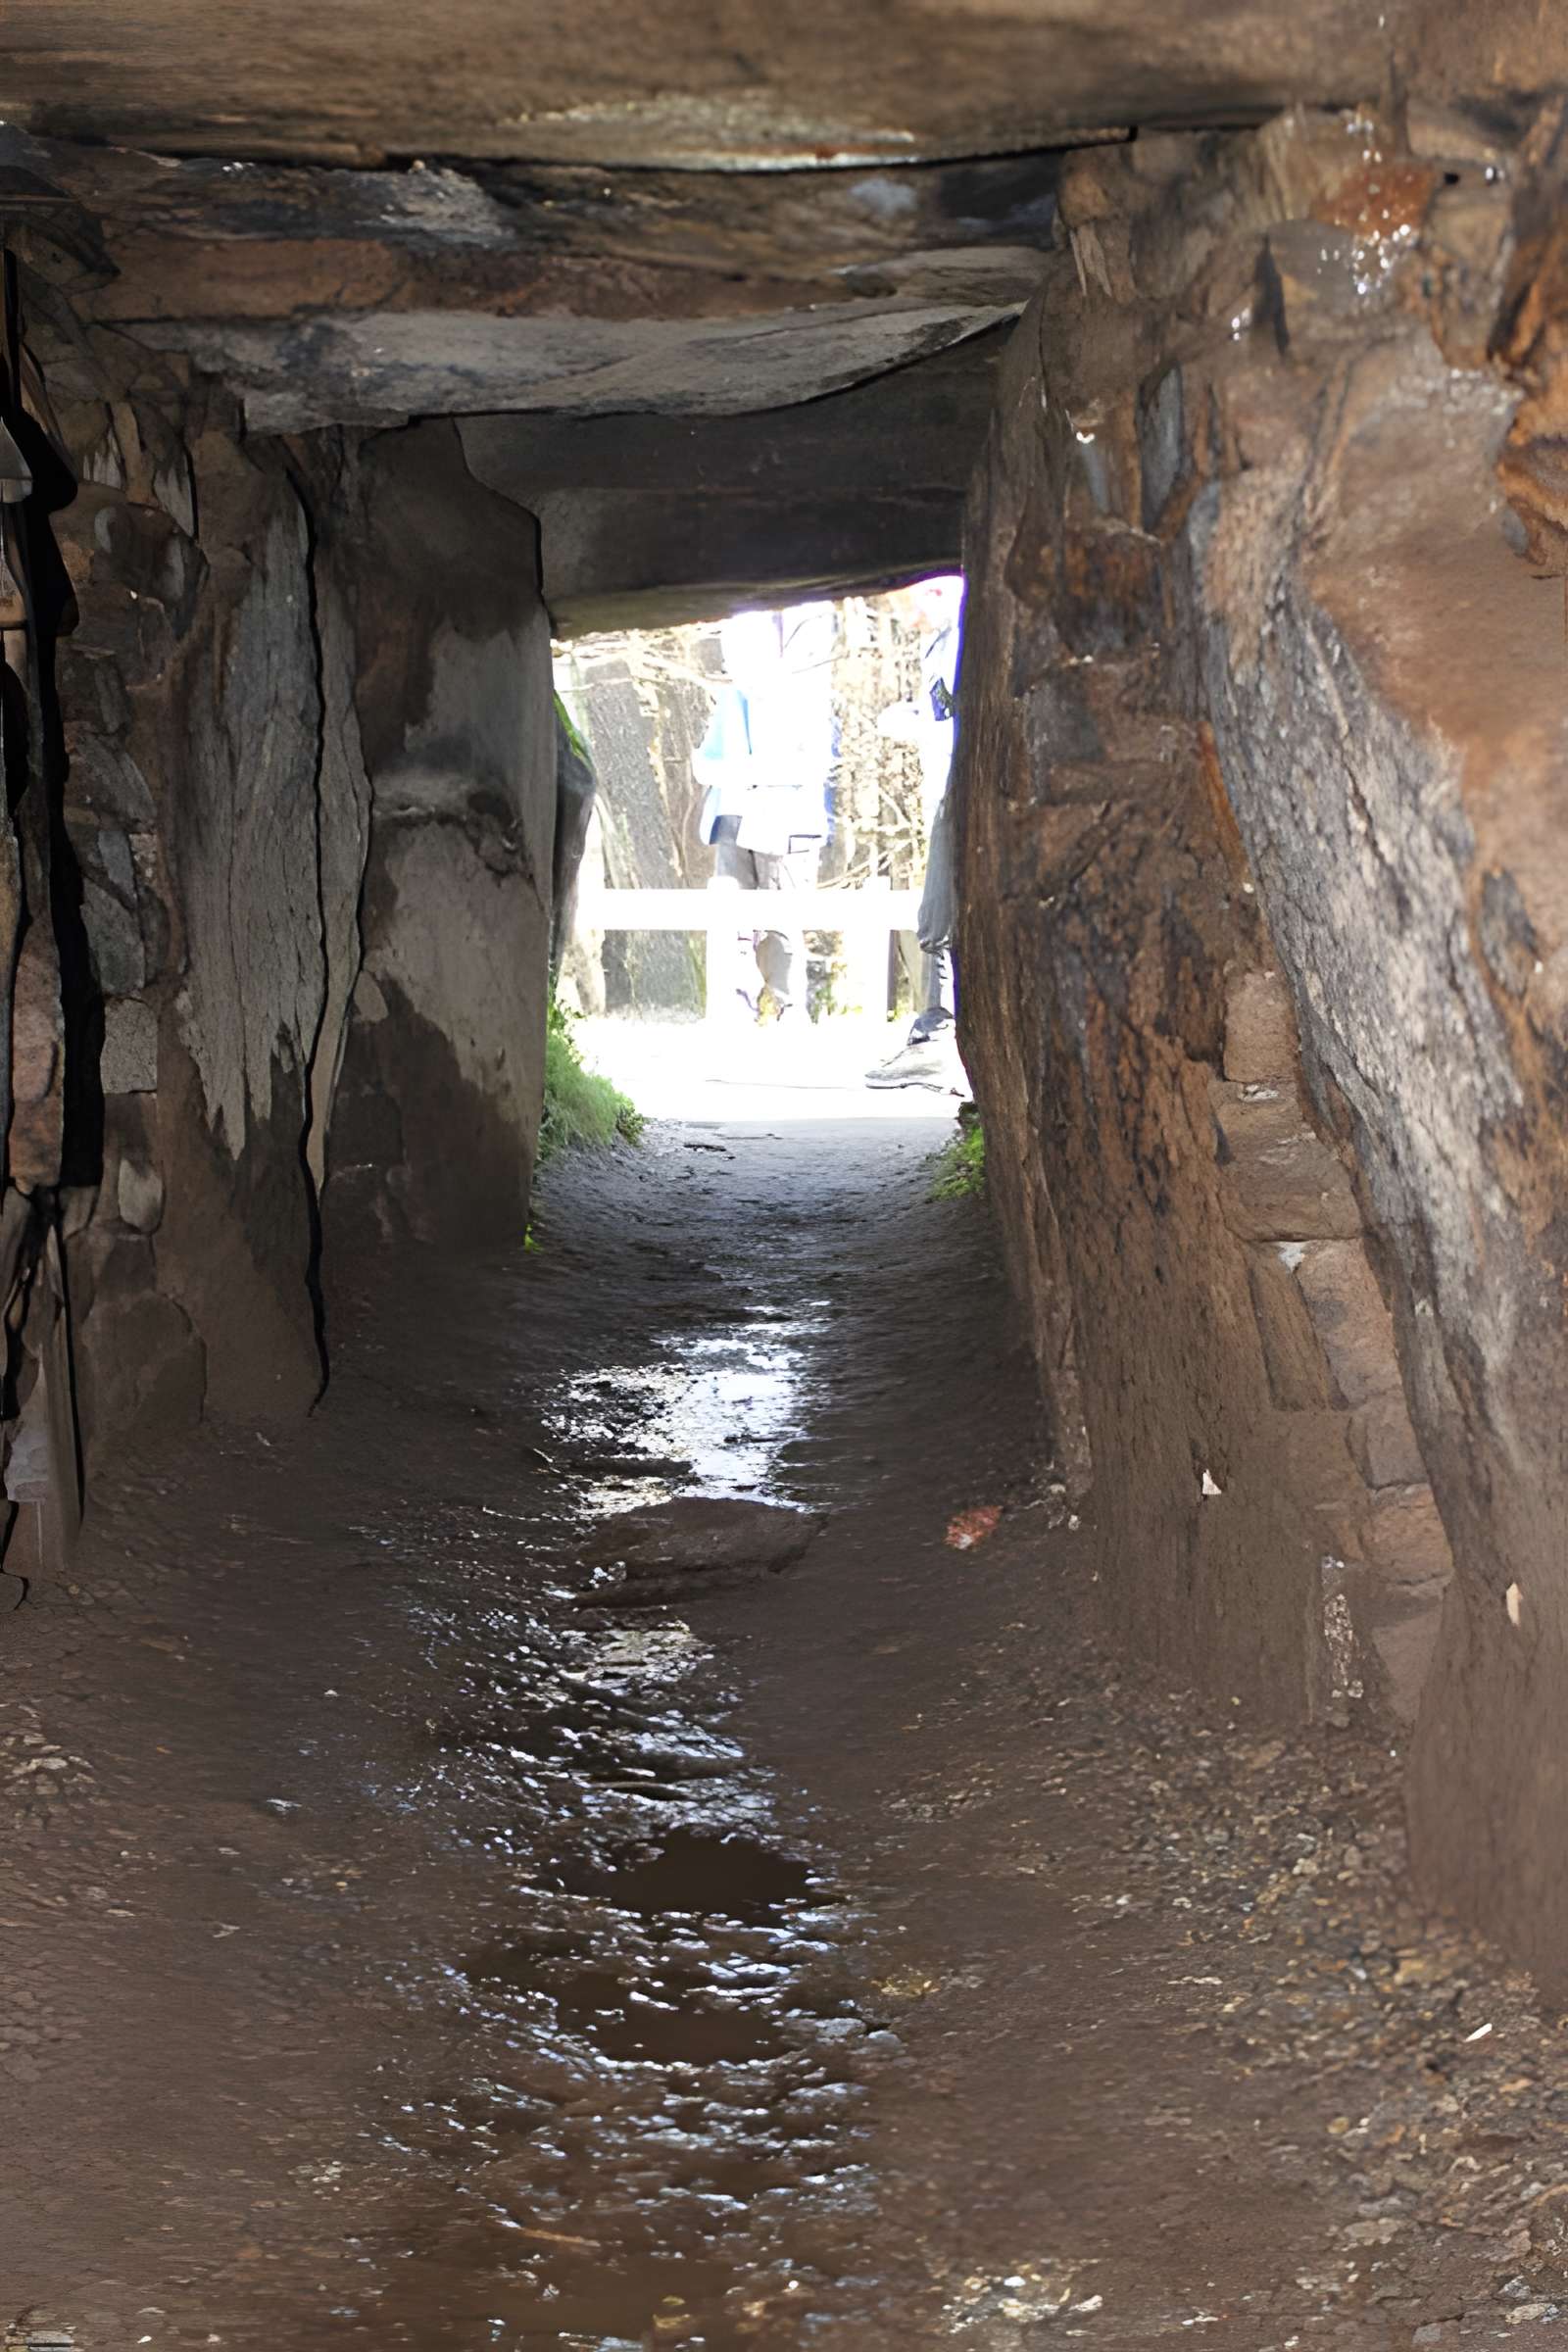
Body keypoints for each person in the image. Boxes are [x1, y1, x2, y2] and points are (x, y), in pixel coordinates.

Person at [693, 603, 835, 1026]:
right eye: (729, 645)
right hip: (733, 817)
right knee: (731, 916)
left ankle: (790, 1007)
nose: (731, 655)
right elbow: (704, 762)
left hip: (784, 823)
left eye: (742, 644)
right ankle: (735, 1002)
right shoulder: (730, 698)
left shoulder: (803, 694)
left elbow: (813, 765)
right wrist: (733, 772)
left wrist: (751, 772)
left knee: (782, 920)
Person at [865, 576, 967, 1092]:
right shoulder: (941, 640)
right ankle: (934, 1033)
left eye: (911, 607)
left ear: (935, 594)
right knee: (938, 912)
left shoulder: (964, 634)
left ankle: (938, 1036)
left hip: (960, 791)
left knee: (942, 914)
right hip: (945, 790)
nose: (908, 622)